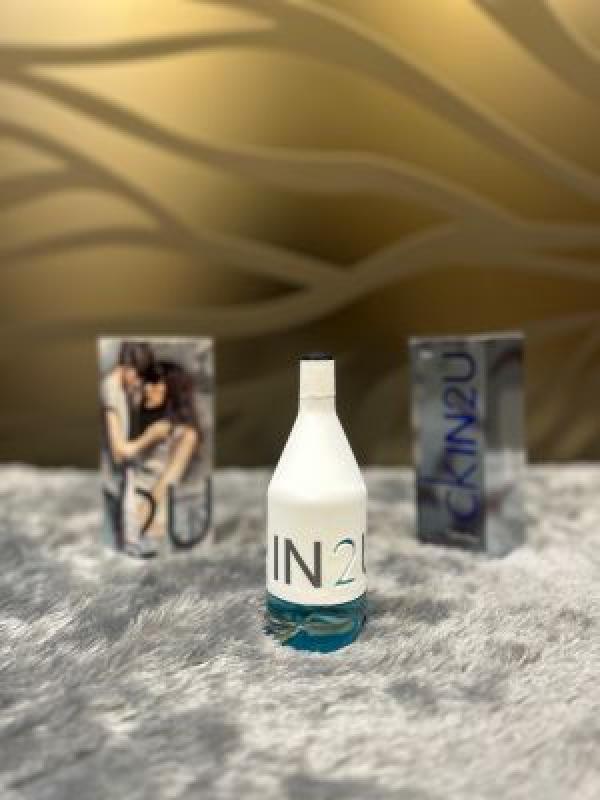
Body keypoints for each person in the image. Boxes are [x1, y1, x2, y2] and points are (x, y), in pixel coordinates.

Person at [100, 342, 171, 556]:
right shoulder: (111, 390)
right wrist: (151, 436)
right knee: (114, 550)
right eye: (138, 376)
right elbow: (119, 451)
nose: (139, 383)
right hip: (110, 483)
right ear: (126, 367)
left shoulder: (124, 387)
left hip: (118, 481)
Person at [132, 360, 202, 542]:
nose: (147, 389)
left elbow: (168, 479)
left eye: (155, 383)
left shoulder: (186, 434)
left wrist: (143, 513)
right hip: (133, 495)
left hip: (153, 506)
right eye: (147, 382)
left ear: (173, 390)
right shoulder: (149, 423)